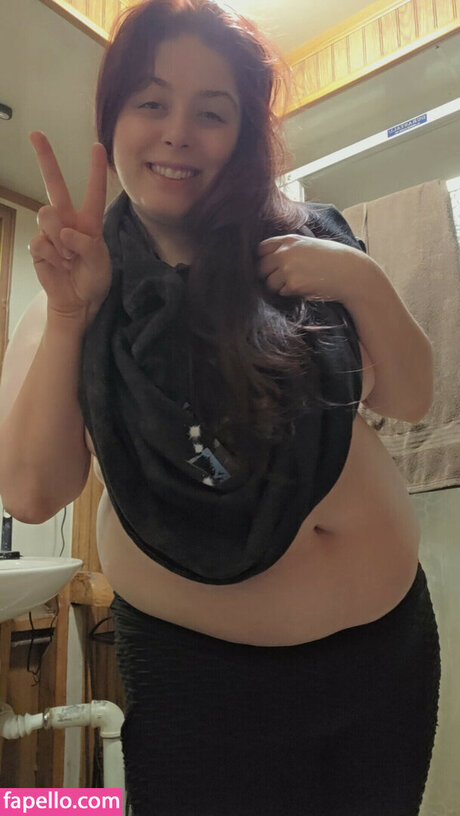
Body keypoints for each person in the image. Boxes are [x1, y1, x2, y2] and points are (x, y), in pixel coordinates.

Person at [0, 0, 440, 813]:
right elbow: (31, 492)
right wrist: (69, 313)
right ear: (113, 117)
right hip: (202, 681)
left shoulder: (308, 243)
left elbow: (411, 397)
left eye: (212, 112)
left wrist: (360, 278)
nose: (179, 133)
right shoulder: (77, 286)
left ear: (241, 135)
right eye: (152, 102)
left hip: (387, 654)